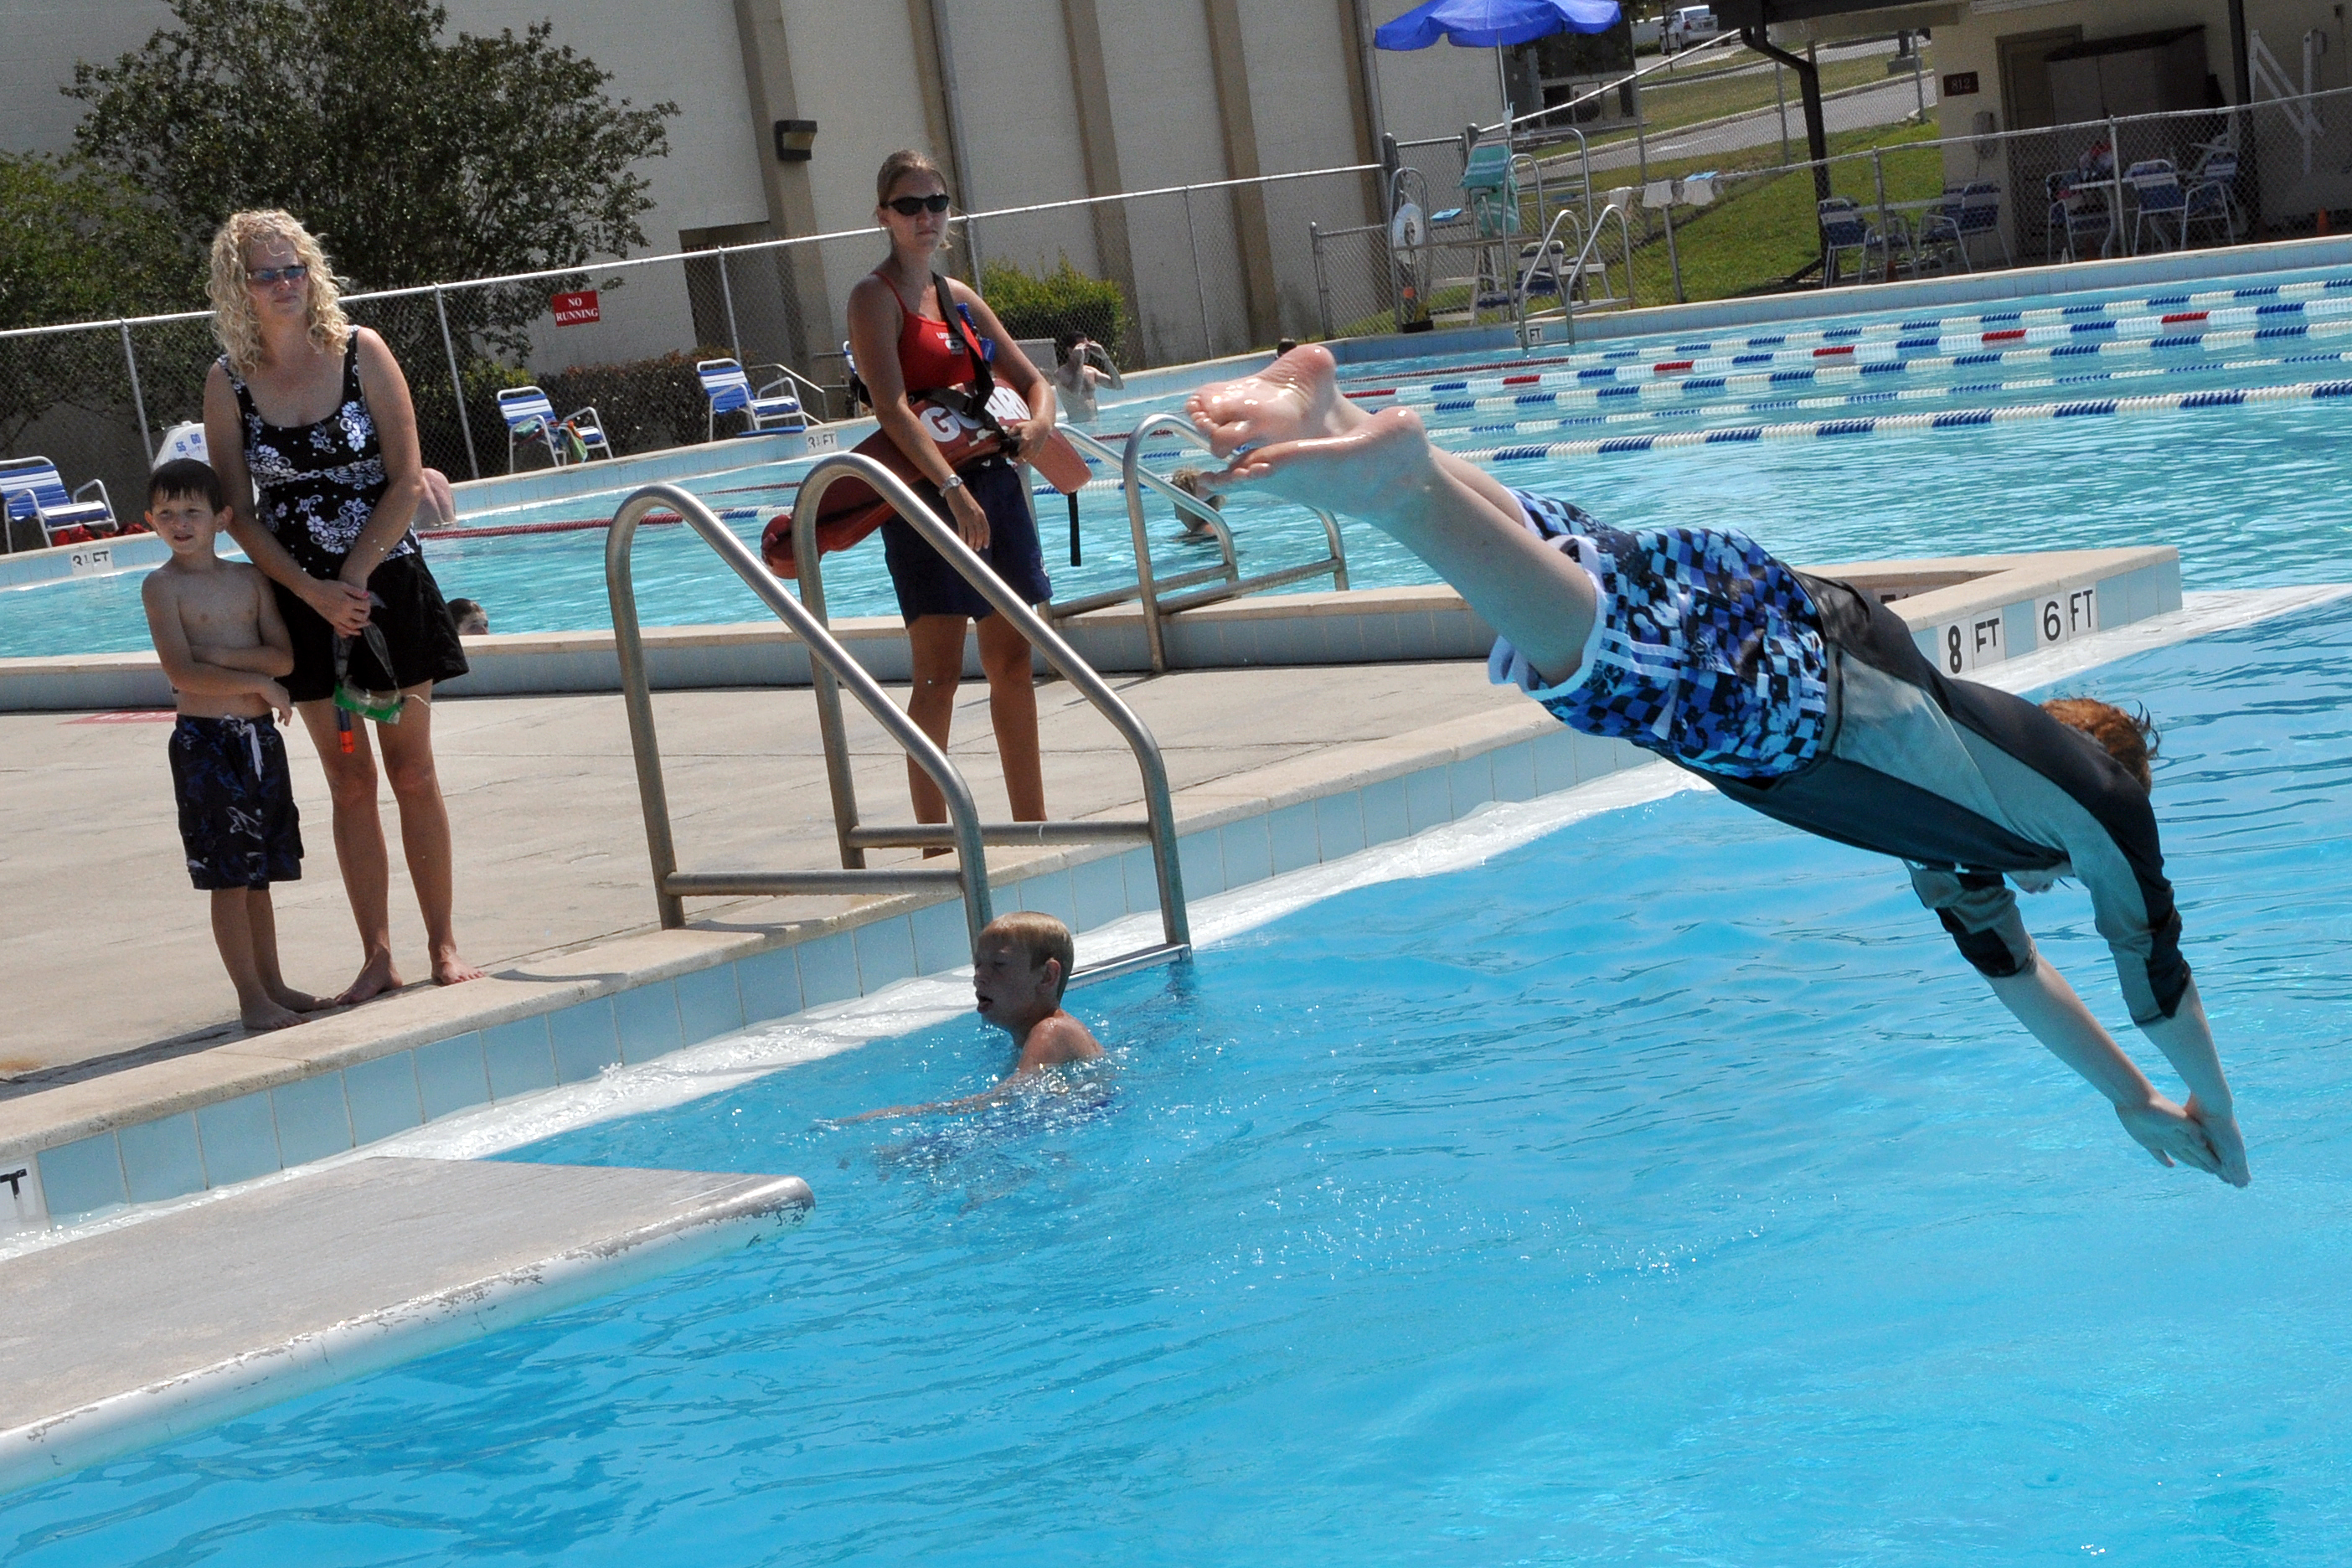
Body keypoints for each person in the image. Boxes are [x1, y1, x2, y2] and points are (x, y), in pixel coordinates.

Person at [1186, 346, 2251, 1188]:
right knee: (1610, 673)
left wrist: (2127, 1100)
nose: (2046, 887)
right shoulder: (2094, 798)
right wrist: (2219, 1112)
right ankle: (1401, 491)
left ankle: (1334, 420)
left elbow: (2019, 982)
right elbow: (2153, 976)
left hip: (1798, 628)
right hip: (1813, 698)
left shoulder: (1963, 846)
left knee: (1597, 564)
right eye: (2057, 878)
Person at [201, 209, 483, 1003]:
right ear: (239, 287)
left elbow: (407, 476)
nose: (285, 283)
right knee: (350, 781)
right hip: (303, 599)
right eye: (266, 273)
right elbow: (240, 513)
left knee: (414, 770)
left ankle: (443, 942)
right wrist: (311, 592)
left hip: (383, 591)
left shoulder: (363, 352)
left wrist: (352, 579)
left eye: (293, 268)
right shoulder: (228, 381)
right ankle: (378, 955)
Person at [846, 150, 1059, 833]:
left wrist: (1040, 426)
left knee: (1014, 660)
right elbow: (890, 407)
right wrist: (947, 486)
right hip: (925, 499)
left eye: (936, 203)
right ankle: (938, 844)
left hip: (994, 487)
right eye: (909, 205)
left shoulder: (958, 296)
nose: (926, 217)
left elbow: (1035, 381)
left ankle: (1032, 825)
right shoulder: (873, 299)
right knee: (938, 675)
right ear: (883, 215)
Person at [139, 458, 329, 1033]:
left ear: (222, 517)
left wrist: (223, 660)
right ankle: (251, 997)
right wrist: (256, 682)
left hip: (258, 742)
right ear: (150, 520)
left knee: (259, 873)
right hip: (206, 743)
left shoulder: (248, 581)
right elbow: (182, 674)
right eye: (167, 514)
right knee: (228, 875)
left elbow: (285, 659)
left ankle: (272, 984)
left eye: (192, 511)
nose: (180, 523)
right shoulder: (161, 586)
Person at [846, 912, 1103, 1122]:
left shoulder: (1053, 1030)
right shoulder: (1034, 1035)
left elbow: (1011, 1096)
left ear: (1046, 976)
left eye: (999, 965)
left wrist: (905, 1113)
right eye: (978, 964)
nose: (979, 976)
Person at [1050, 329, 1124, 426]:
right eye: (1083, 349)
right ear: (1070, 351)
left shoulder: (1090, 371)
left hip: (1096, 424)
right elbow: (1075, 392)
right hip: (1077, 427)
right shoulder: (1061, 374)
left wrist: (1105, 358)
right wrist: (1080, 362)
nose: (1087, 352)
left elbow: (1118, 386)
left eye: (1087, 348)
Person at [1168, 467, 1227, 544]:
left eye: (1177, 507)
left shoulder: (1210, 530)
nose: (1177, 517)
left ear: (1191, 506)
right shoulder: (1205, 529)